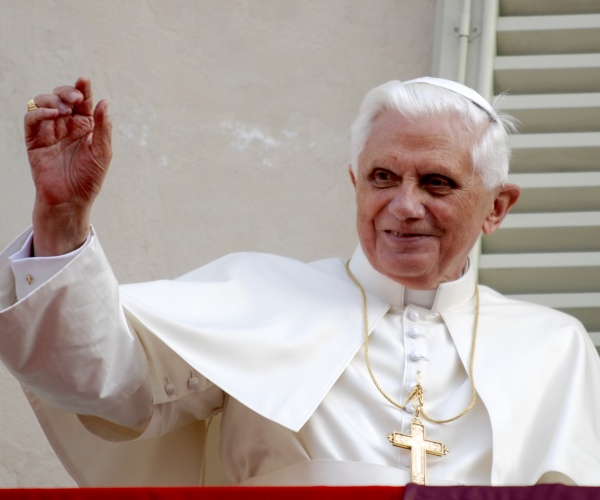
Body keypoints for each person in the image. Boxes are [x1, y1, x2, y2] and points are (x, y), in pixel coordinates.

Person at [0, 76, 599, 487]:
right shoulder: (260, 297)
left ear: (497, 206)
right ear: (355, 183)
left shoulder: (554, 348)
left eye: (437, 183)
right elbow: (101, 383)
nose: (403, 206)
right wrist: (61, 217)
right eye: (383, 177)